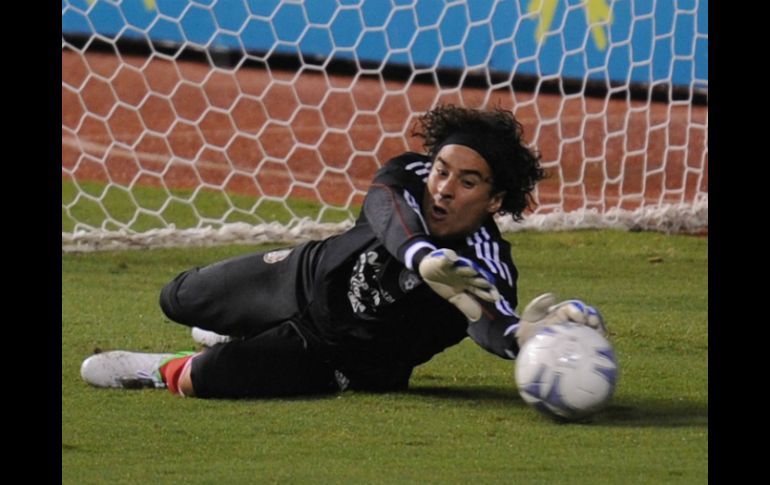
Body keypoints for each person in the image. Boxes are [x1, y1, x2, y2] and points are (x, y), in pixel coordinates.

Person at [80, 104, 607, 398]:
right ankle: (241, 328)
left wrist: (522, 338)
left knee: (204, 379)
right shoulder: (410, 176)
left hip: (342, 356)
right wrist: (422, 257)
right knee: (175, 297)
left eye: (468, 182)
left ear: (494, 199)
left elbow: (488, 319)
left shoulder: (486, 262)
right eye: (443, 170)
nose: (444, 188)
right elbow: (386, 211)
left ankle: (158, 368)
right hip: (303, 275)